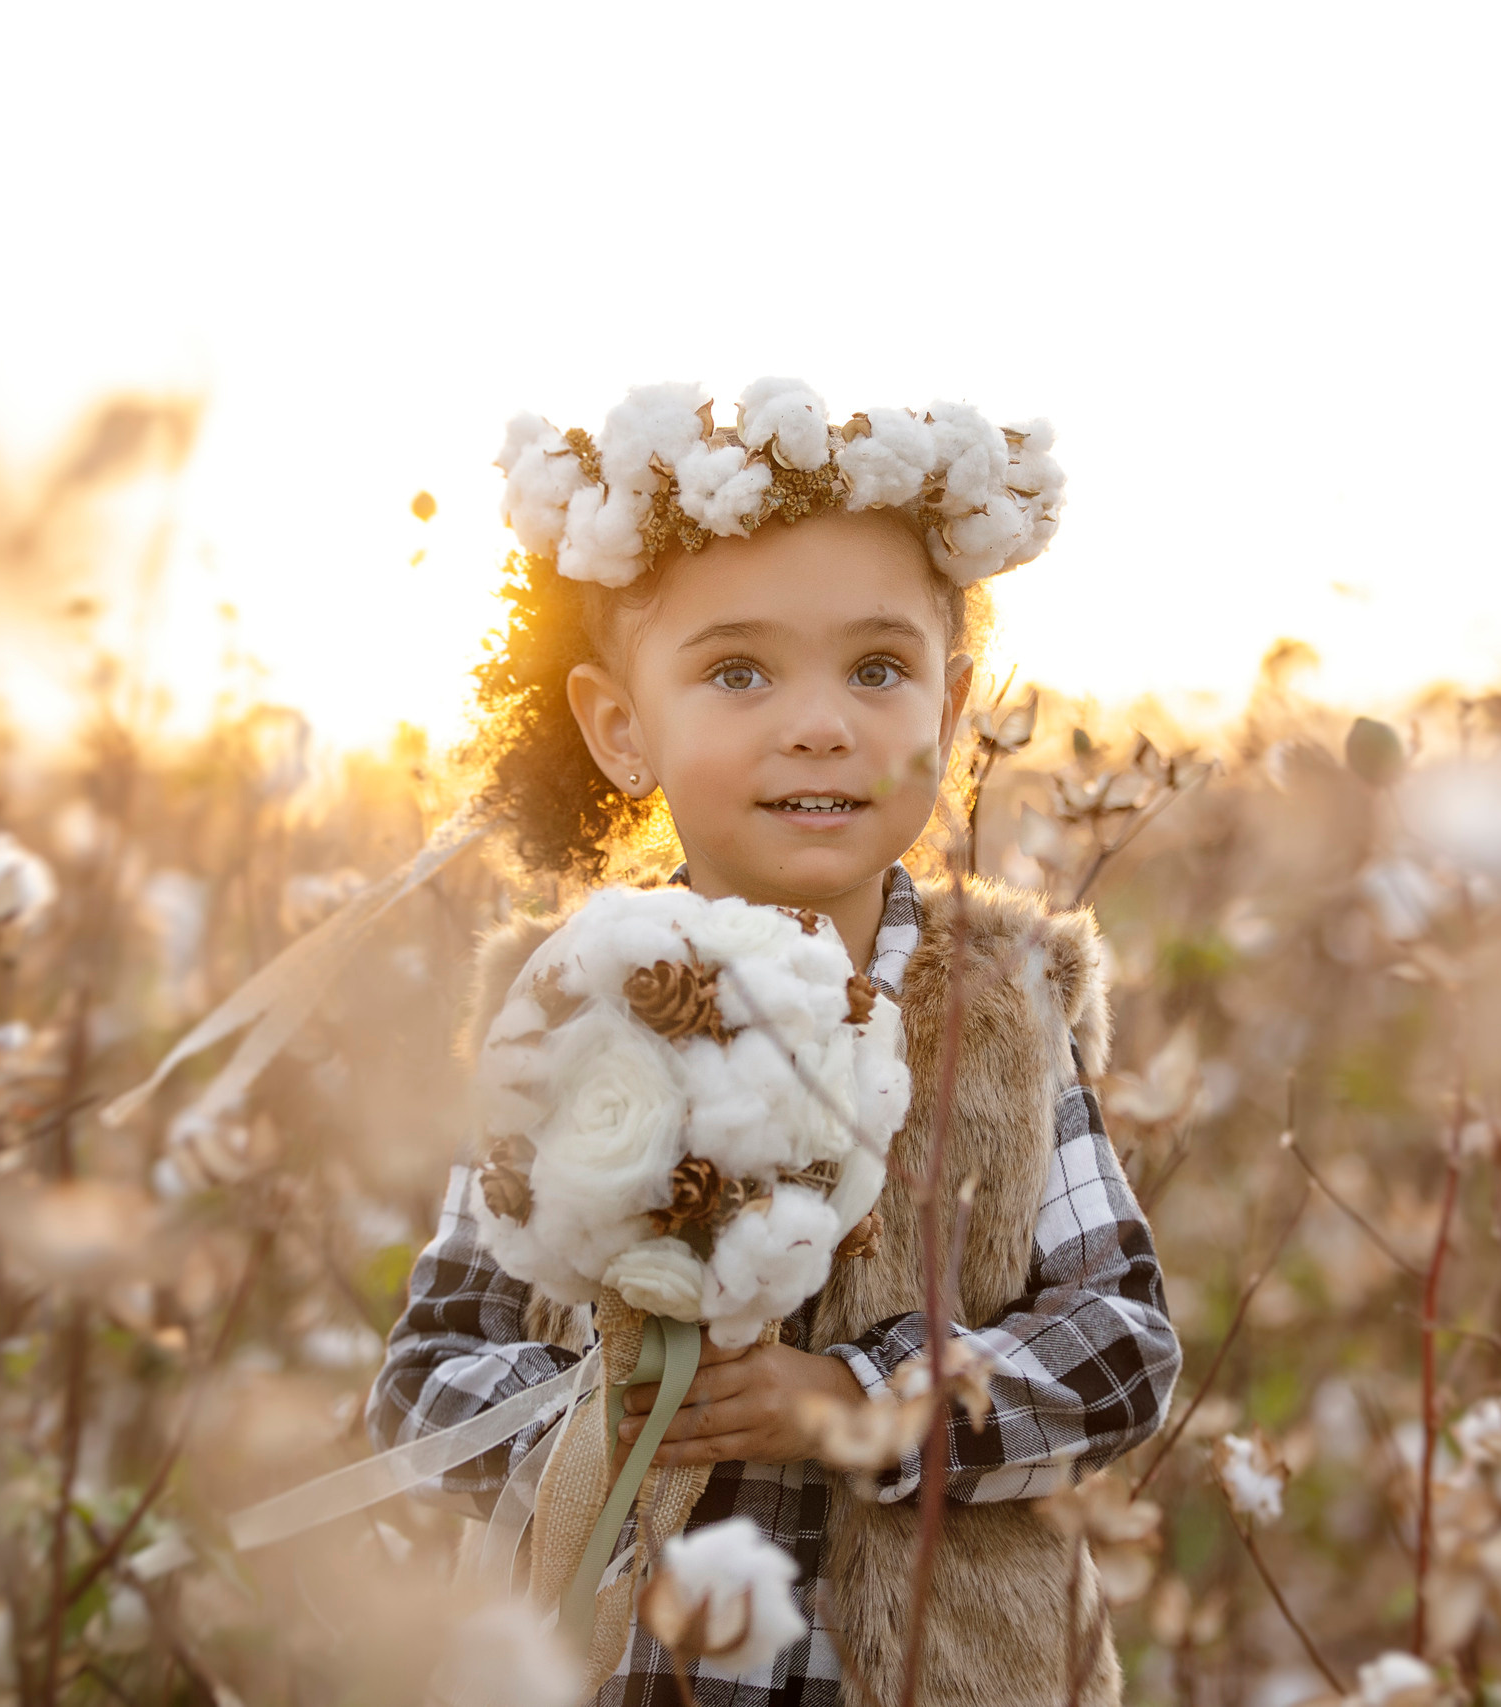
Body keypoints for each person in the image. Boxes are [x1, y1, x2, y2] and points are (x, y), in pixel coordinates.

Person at [369, 380, 1181, 1707]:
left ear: (948, 710)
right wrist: (589, 1412)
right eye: (738, 670)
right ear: (621, 723)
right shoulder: (570, 1003)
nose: (821, 723)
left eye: (877, 669)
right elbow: (423, 1378)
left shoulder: (1003, 1011)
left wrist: (853, 1402)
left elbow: (1122, 1350)